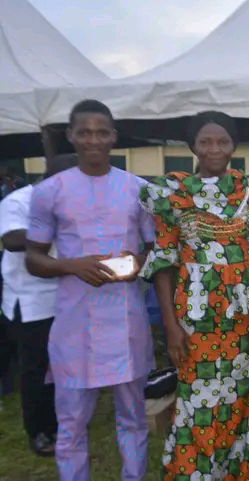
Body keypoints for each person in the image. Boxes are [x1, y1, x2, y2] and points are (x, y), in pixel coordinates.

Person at [25, 99, 155, 481]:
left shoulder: (139, 189)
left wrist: (138, 264)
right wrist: (71, 265)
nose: (93, 140)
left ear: (113, 137)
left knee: (133, 418)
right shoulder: (49, 191)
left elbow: (157, 251)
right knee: (71, 424)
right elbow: (33, 258)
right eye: (84, 132)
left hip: (126, 322)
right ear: (71, 136)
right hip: (74, 327)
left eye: (101, 133)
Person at [139, 111, 249, 480]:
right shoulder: (173, 193)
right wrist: (171, 326)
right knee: (199, 399)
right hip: (195, 320)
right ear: (192, 146)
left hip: (243, 320)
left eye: (223, 142)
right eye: (205, 142)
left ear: (234, 146)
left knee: (240, 397)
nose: (214, 149)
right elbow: (164, 261)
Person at [0, 154, 76, 456]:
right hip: (31, 299)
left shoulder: (74, 202)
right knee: (37, 368)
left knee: (63, 364)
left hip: (66, 295)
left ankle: (61, 420)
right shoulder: (20, 200)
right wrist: (54, 230)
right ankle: (39, 430)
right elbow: (11, 239)